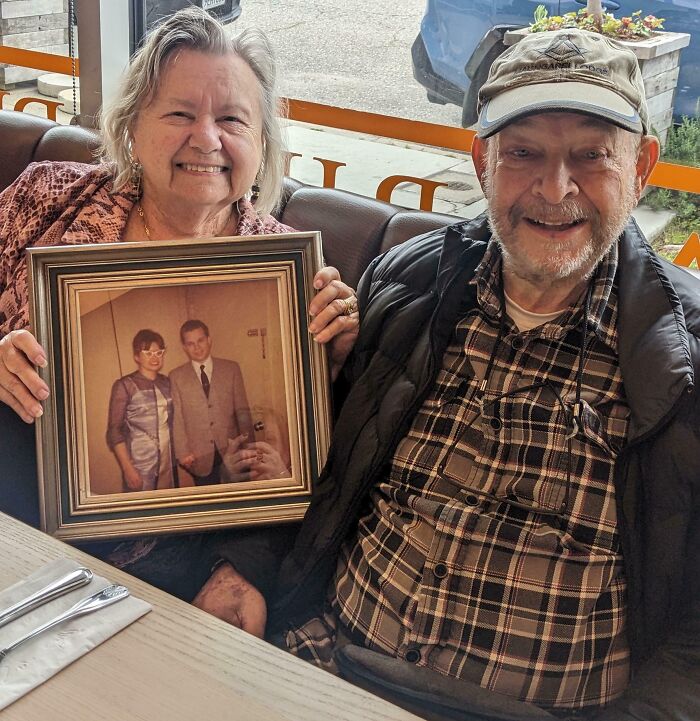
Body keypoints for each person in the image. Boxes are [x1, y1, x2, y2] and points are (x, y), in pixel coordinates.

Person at [192, 30, 700, 720]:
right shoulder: (409, 281)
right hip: (321, 663)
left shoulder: (684, 356)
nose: (556, 189)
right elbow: (318, 468)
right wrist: (245, 565)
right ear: (483, 160)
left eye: (591, 155)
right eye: (523, 153)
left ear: (640, 167)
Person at [0, 8, 358, 591]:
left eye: (234, 120)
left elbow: (305, 465)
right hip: (17, 524)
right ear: (132, 127)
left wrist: (332, 365)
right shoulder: (47, 196)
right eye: (180, 114)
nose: (208, 139)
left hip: (179, 561)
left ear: (261, 144)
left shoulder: (286, 274)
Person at [170, 319, 256, 485]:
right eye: (190, 343)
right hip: (199, 455)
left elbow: (242, 411)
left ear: (209, 339)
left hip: (233, 448)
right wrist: (183, 452)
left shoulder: (231, 369)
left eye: (201, 340)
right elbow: (178, 418)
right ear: (184, 347)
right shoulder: (176, 376)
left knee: (241, 498)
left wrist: (249, 447)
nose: (197, 347)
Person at [106, 329, 176, 492]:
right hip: (140, 463)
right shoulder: (124, 385)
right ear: (137, 356)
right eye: (148, 353)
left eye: (159, 352)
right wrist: (127, 468)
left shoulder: (167, 382)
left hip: (168, 460)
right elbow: (114, 431)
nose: (155, 357)